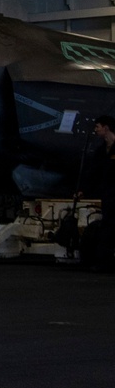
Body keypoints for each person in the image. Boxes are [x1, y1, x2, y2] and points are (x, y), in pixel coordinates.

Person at [79, 115, 115, 271]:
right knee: (108, 226)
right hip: (109, 195)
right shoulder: (101, 151)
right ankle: (105, 261)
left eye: (97, 127)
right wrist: (84, 190)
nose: (95, 130)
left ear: (106, 128)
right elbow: (94, 173)